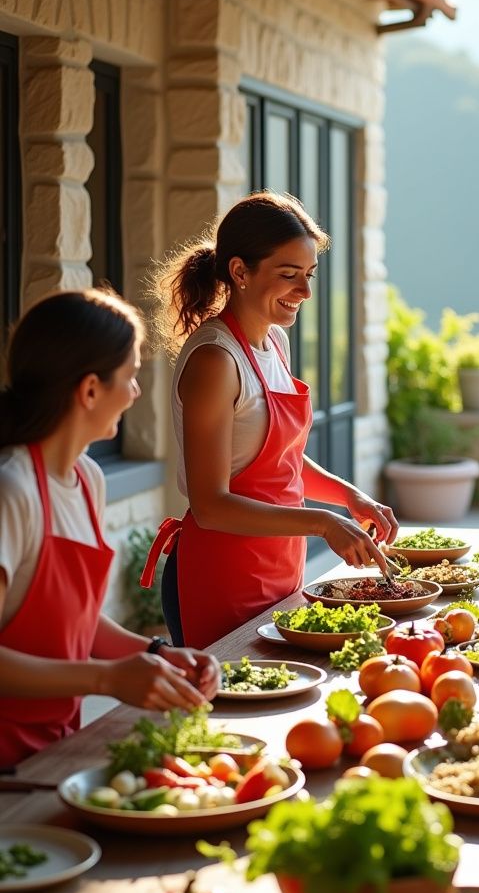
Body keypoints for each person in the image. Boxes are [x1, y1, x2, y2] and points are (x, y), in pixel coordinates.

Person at [143, 191, 398, 649]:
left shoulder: (274, 343)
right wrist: (321, 523)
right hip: (222, 574)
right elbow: (211, 504)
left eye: (309, 275)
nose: (304, 291)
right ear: (240, 272)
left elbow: (278, 461)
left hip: (278, 563)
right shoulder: (215, 360)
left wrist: (348, 497)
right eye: (288, 275)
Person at [0, 289, 220, 771]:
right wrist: (106, 680)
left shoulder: (86, 479)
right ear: (91, 390)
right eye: (132, 376)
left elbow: (77, 624)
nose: (136, 392)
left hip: (54, 751)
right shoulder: (12, 491)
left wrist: (161, 655)